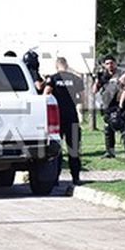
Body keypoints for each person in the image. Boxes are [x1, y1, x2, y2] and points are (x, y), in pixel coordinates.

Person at [44, 57, 84, 186]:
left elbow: (46, 94)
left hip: (57, 118)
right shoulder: (76, 79)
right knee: (74, 149)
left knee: (56, 149)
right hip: (72, 117)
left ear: (56, 66)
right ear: (67, 65)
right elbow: (83, 98)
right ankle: (76, 177)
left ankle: (55, 178)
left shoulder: (53, 78)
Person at [94, 56, 125, 159]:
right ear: (104, 65)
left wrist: (121, 104)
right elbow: (94, 91)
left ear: (115, 63)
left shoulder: (121, 74)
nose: (110, 65)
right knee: (108, 129)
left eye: (111, 63)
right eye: (107, 63)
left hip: (120, 104)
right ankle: (110, 152)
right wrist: (96, 80)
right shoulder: (103, 76)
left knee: (124, 128)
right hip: (108, 105)